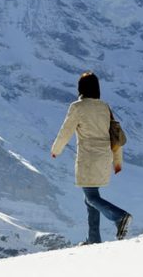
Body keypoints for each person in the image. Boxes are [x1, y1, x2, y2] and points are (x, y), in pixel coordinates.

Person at [51, 71, 132, 244]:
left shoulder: (77, 107)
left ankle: (120, 217)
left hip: (88, 157)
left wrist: (56, 150)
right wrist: (117, 162)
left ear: (80, 88)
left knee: (90, 197)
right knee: (91, 198)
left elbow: (66, 131)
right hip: (104, 156)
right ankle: (94, 239)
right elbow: (115, 135)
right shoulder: (104, 107)